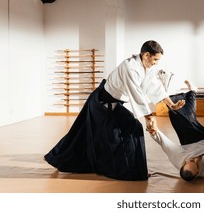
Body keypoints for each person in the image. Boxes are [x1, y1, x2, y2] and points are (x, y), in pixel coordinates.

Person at [44, 40, 185, 181]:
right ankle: (125, 170)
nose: (156, 63)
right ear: (146, 55)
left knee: (134, 127)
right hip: (101, 105)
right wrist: (150, 118)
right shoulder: (129, 67)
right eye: (155, 59)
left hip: (114, 105)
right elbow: (136, 93)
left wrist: (171, 105)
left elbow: (155, 87)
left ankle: (137, 170)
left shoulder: (146, 67)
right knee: (84, 136)